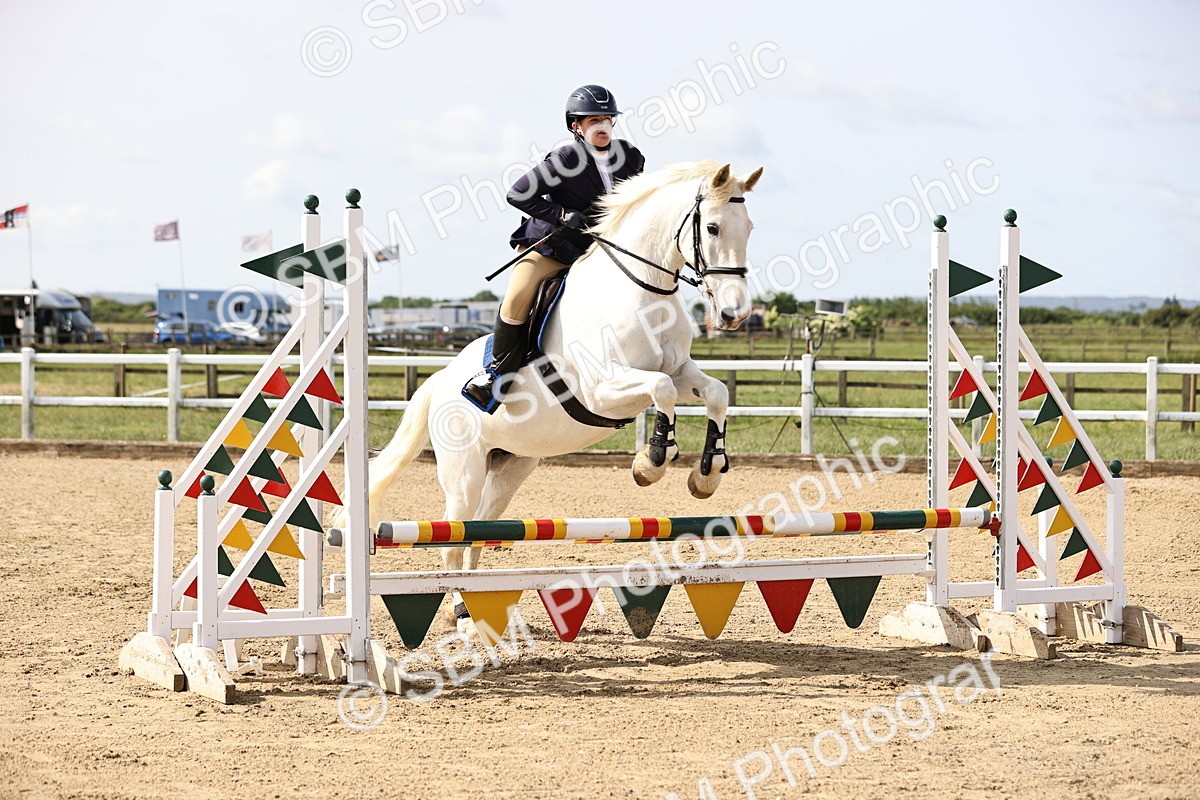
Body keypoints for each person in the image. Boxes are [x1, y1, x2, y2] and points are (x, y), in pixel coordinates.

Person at [462, 84, 646, 412]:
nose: (602, 125)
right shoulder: (565, 158)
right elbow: (518, 193)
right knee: (520, 290)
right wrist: (561, 214)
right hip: (555, 245)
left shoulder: (630, 158)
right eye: (593, 120)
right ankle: (496, 375)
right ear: (576, 125)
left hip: (601, 249)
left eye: (607, 118)